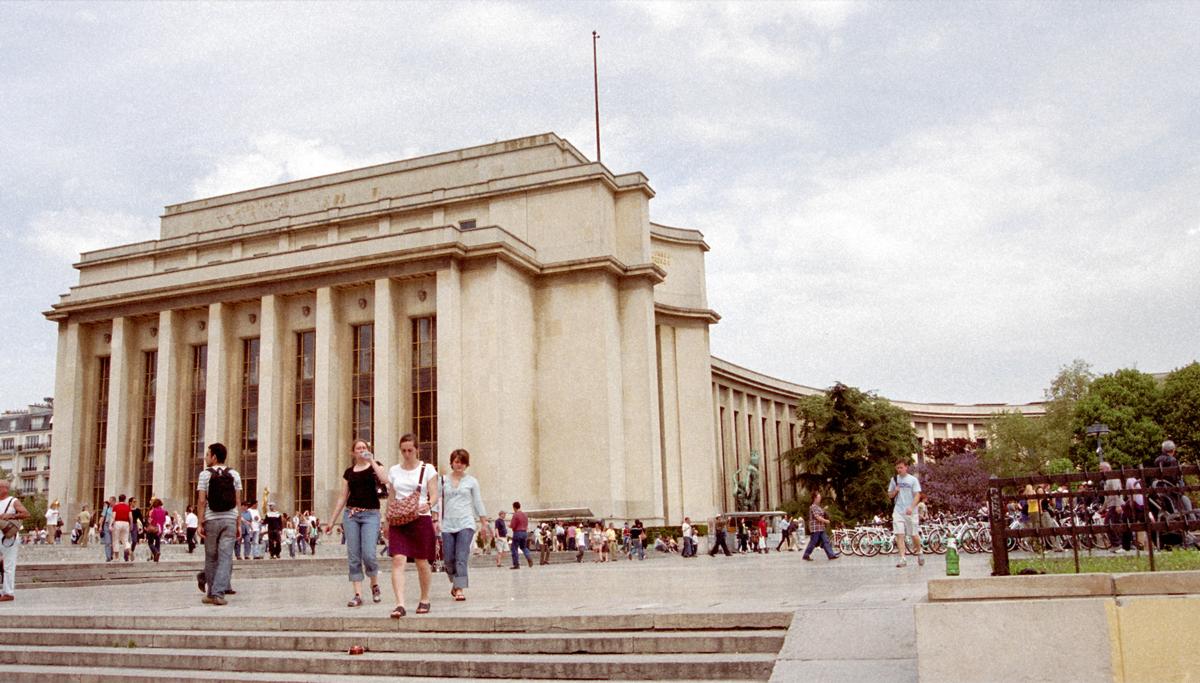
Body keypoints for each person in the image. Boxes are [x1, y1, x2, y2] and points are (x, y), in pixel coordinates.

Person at [325, 439, 387, 607]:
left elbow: (385, 479)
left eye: (364, 448)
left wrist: (371, 460)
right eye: (358, 448)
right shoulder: (349, 472)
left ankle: (374, 583)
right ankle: (358, 594)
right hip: (351, 514)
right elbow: (342, 497)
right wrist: (332, 521)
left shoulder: (375, 466)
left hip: (371, 515)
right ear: (352, 452)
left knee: (369, 554)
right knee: (353, 556)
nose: (361, 450)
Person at [385, 433, 439, 617]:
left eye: (410, 450)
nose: (407, 454)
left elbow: (434, 493)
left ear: (417, 450)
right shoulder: (394, 471)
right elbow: (391, 497)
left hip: (420, 517)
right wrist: (386, 520)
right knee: (398, 559)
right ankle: (400, 603)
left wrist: (429, 504)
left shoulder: (428, 469)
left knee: (421, 561)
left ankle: (425, 599)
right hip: (399, 520)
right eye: (404, 451)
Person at [435, 448, 488, 601]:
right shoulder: (442, 480)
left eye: (463, 462)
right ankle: (455, 581)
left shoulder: (472, 481)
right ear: (452, 463)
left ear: (466, 464)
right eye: (457, 462)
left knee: (461, 557)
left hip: (466, 523)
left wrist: (484, 522)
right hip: (447, 524)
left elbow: (477, 502)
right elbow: (436, 501)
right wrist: (435, 519)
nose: (459, 465)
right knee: (448, 560)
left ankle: (459, 589)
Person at [197, 442, 242, 605]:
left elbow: (201, 501)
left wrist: (199, 522)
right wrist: (238, 524)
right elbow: (238, 501)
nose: (205, 457)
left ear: (214, 457)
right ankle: (218, 593)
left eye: (207, 454)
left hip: (211, 519)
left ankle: (210, 593)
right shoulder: (235, 474)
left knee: (210, 557)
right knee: (225, 557)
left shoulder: (205, 475)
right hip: (230, 520)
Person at [888, 459, 924, 568]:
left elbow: (917, 495)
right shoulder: (894, 480)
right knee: (899, 534)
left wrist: (912, 507)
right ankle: (902, 558)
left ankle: (919, 551)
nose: (899, 470)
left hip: (911, 512)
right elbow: (890, 495)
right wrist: (895, 491)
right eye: (897, 468)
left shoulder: (913, 480)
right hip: (898, 510)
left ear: (906, 467)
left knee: (914, 534)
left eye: (901, 467)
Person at [0, 479, 30, 601]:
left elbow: (26, 513)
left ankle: (8, 592)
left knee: (8, 564)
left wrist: (11, 515)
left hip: (8, 536)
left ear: (5, 489)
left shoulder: (13, 501)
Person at [1100, 462, 1132, 554]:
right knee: (1116, 524)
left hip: (1115, 505)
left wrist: (1118, 505)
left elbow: (1117, 492)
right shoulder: (1107, 479)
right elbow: (1107, 496)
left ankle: (1117, 545)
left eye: (1101, 469)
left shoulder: (1113, 477)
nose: (1100, 471)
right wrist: (1103, 507)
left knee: (1108, 523)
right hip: (1112, 505)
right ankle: (1121, 544)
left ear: (1107, 469)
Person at [802, 491, 839, 561]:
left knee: (826, 541)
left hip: (821, 528)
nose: (820, 499)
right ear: (815, 498)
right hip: (816, 528)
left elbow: (820, 513)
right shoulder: (813, 507)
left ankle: (831, 555)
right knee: (813, 542)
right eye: (819, 497)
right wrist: (826, 521)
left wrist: (824, 509)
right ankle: (806, 555)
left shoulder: (817, 507)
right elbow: (817, 517)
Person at [509, 501, 532, 569]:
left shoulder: (515, 514)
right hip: (524, 532)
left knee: (514, 548)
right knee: (523, 547)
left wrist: (509, 526)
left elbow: (513, 525)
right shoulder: (525, 515)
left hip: (517, 533)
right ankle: (528, 557)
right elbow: (526, 524)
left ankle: (516, 564)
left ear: (514, 507)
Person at [111, 494, 133, 562]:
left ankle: (117, 557)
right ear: (125, 499)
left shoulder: (115, 507)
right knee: (125, 540)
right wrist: (131, 525)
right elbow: (130, 517)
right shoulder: (127, 507)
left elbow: (113, 516)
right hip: (126, 523)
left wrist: (111, 524)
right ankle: (129, 551)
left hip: (117, 523)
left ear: (118, 499)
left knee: (116, 540)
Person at [145, 498, 167, 562]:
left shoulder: (154, 510)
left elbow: (151, 519)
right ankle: (157, 556)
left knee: (150, 542)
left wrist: (148, 525)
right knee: (157, 541)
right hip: (160, 529)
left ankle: (156, 552)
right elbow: (164, 520)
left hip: (153, 528)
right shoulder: (163, 511)